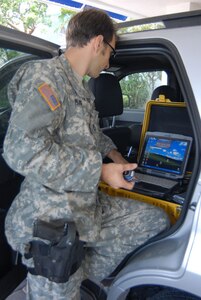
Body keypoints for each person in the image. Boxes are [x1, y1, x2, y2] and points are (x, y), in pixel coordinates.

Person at [3, 8, 170, 300]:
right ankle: (62, 279)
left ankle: (77, 276)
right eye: (110, 54)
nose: (108, 62)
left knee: (153, 221)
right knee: (58, 286)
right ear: (97, 43)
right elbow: (21, 150)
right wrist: (101, 171)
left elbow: (90, 135)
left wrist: (116, 156)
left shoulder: (79, 89)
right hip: (51, 221)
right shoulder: (46, 78)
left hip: (84, 206)